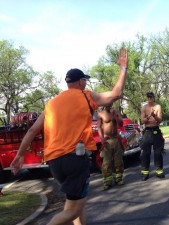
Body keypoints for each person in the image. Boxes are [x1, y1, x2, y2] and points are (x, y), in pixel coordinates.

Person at [10, 48, 128, 225]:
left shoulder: (51, 104)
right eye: (85, 81)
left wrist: (19, 155)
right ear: (80, 82)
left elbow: (32, 130)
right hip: (74, 160)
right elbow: (115, 94)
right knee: (72, 210)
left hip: (55, 164)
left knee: (77, 202)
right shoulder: (85, 96)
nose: (86, 84)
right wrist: (123, 68)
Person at [97, 103, 125, 190]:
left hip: (116, 139)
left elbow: (121, 123)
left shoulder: (116, 112)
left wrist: (115, 115)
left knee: (118, 161)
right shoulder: (100, 114)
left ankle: (118, 179)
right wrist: (101, 138)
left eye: (110, 105)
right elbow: (99, 127)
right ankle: (107, 182)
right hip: (107, 140)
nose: (109, 106)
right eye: (107, 105)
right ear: (104, 105)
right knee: (106, 162)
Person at [140, 92, 164, 181]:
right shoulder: (144, 107)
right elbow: (142, 121)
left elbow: (160, 120)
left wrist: (154, 116)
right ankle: (145, 172)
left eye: (151, 97)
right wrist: (149, 116)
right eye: (148, 97)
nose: (149, 98)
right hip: (147, 132)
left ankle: (159, 171)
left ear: (154, 97)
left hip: (156, 131)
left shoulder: (158, 106)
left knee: (158, 152)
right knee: (146, 153)